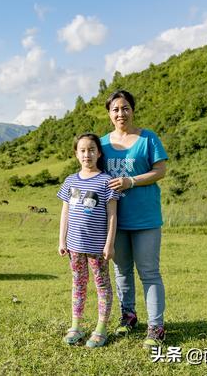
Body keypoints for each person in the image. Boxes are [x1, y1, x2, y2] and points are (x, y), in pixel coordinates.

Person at [100, 89, 168, 349]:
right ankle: (128, 317)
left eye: (125, 108)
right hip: (115, 220)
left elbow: (160, 171)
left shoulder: (148, 138)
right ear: (109, 113)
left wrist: (131, 181)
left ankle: (156, 327)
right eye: (115, 109)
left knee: (149, 272)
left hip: (146, 218)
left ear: (133, 110)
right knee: (121, 271)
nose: (121, 113)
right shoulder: (102, 144)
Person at [57, 133, 120, 347]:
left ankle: (101, 329)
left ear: (99, 153)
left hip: (97, 248)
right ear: (76, 154)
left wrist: (109, 243)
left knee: (102, 285)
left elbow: (112, 215)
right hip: (74, 247)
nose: (87, 154)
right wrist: (61, 240)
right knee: (78, 284)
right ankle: (76, 326)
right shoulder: (70, 181)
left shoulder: (107, 181)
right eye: (82, 150)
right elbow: (65, 212)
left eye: (91, 150)